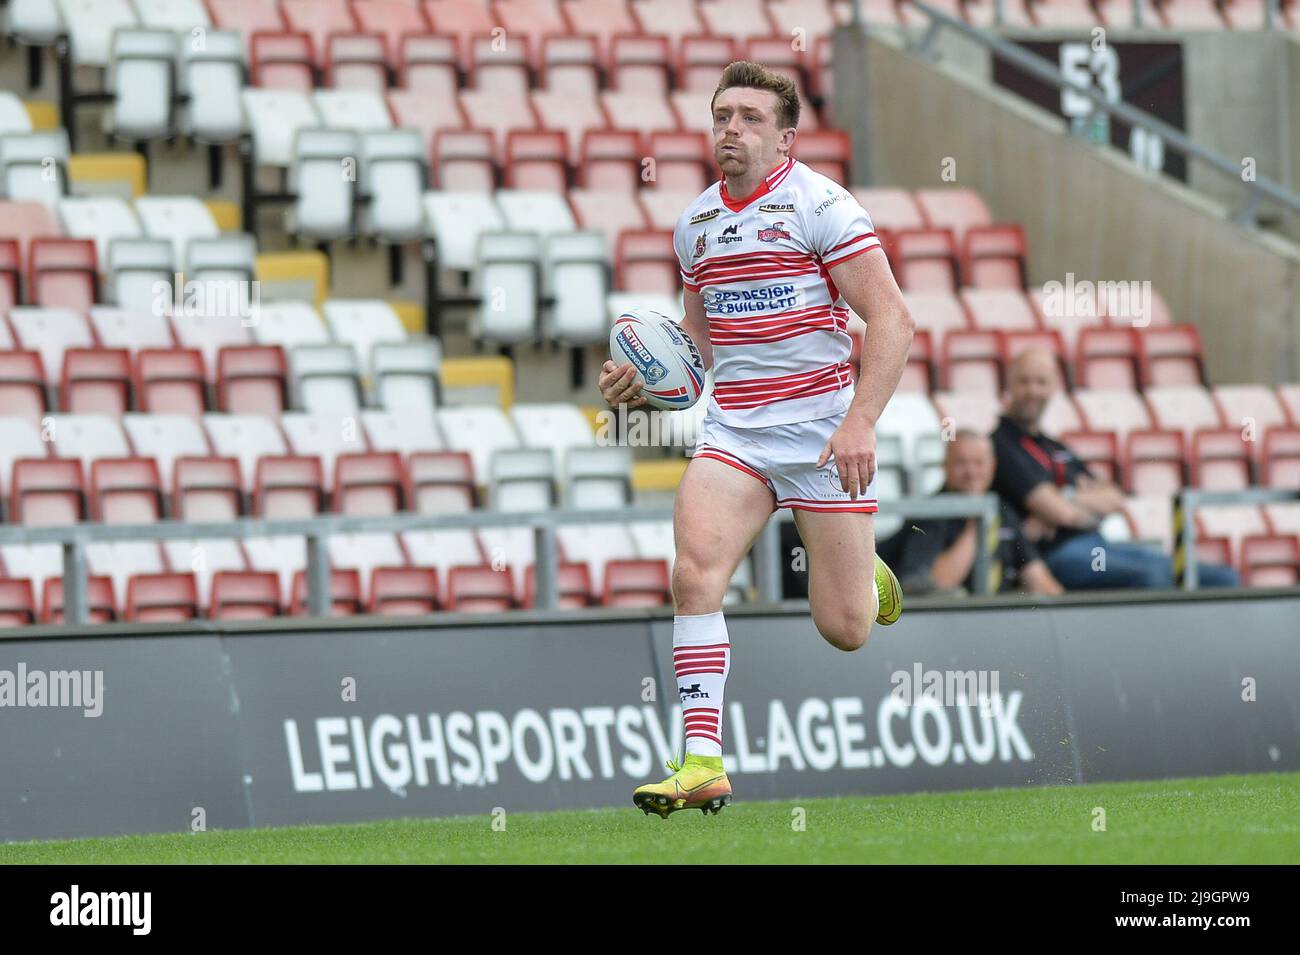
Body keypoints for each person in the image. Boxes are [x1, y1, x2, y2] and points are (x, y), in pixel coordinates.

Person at [597, 61, 914, 818]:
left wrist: (860, 420)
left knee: (844, 630)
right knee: (694, 572)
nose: (730, 128)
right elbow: (699, 354)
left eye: (748, 117)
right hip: (735, 434)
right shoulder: (695, 225)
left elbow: (893, 320)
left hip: (819, 438)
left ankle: (863, 571)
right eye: (721, 115)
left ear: (786, 137)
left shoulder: (822, 207)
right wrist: (644, 379)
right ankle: (702, 760)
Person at [991, 348, 1239, 590]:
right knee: (1153, 578)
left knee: (1220, 577)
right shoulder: (1002, 444)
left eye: (1041, 382)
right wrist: (1076, 505)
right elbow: (1062, 514)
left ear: (1054, 387)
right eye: (1024, 382)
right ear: (1008, 385)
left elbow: (1115, 499)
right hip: (1056, 555)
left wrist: (1066, 499)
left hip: (1099, 543)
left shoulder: (1053, 446)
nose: (1033, 390)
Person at [888, 430, 1064, 596]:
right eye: (961, 463)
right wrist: (976, 523)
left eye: (978, 463)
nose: (971, 472)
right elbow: (936, 587)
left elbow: (1037, 576)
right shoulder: (928, 515)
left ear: (992, 466)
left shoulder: (1003, 511)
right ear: (944, 466)